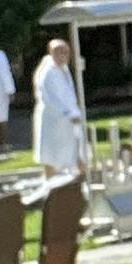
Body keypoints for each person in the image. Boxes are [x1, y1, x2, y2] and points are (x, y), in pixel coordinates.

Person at [32, 37, 84, 176]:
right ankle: (49, 182)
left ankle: (80, 180)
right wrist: (68, 113)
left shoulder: (64, 69)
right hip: (53, 119)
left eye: (65, 52)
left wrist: (73, 112)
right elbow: (50, 97)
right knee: (50, 154)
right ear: (51, 52)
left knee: (78, 151)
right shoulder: (47, 72)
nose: (63, 55)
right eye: (59, 51)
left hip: (69, 119)